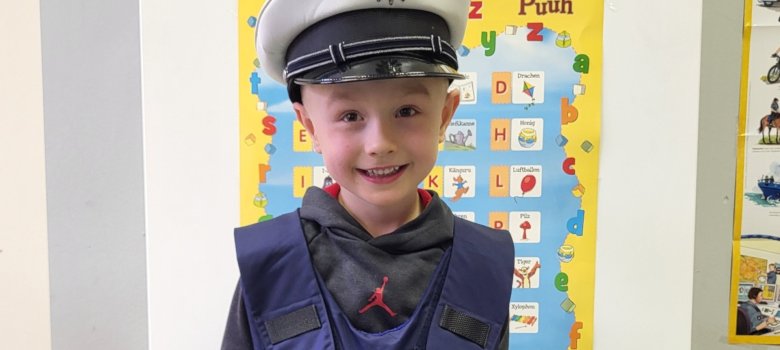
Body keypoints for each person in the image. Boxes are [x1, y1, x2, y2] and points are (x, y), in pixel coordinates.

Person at [221, 1, 515, 349]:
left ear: (445, 115)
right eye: (349, 116)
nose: (380, 144)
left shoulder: (483, 266)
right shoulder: (269, 268)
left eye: (406, 111)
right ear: (310, 126)